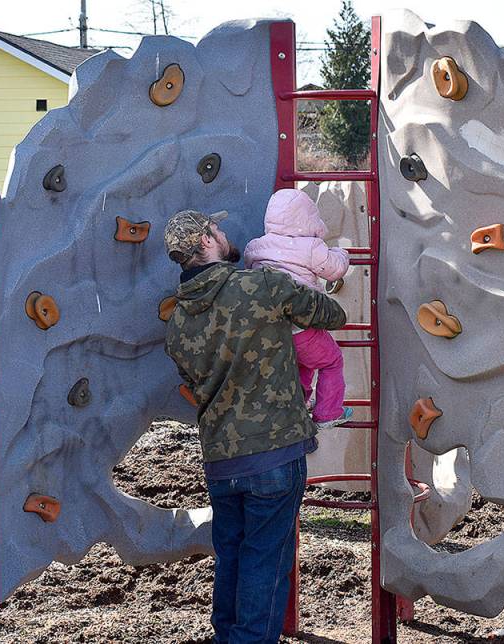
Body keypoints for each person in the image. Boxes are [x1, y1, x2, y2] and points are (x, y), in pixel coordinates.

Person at [162, 208, 347, 644]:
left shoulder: (177, 326)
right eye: (217, 229)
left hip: (221, 462)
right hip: (275, 454)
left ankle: (228, 638)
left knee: (232, 559)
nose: (225, 233)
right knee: (265, 561)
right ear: (206, 242)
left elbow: (197, 384)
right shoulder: (261, 287)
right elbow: (331, 314)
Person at [243, 189, 352, 429]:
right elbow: (334, 270)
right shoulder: (311, 248)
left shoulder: (255, 247)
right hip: (302, 325)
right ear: (308, 218)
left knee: (299, 364)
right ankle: (328, 413)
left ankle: (297, 406)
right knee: (330, 361)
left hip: (270, 328)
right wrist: (341, 253)